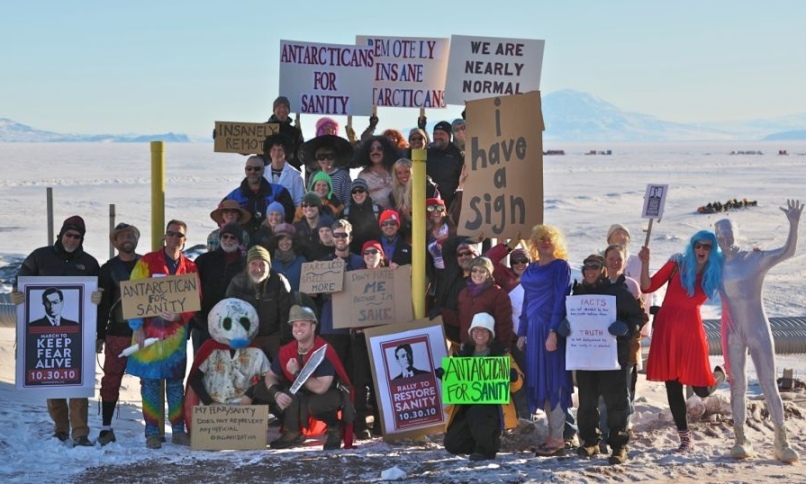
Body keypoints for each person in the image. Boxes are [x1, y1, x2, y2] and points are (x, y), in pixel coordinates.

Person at [715, 199, 802, 463]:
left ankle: (781, 439)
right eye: (720, 236)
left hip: (758, 329)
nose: (725, 240)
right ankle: (740, 438)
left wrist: (794, 224)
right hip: (733, 332)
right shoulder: (716, 266)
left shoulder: (753, 258)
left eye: (728, 234)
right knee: (737, 385)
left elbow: (787, 252)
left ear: (736, 234)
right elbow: (692, 273)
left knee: (768, 384)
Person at [13, 215, 101, 446]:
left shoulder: (89, 263)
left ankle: (80, 432)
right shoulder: (39, 257)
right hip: (45, 335)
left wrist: (98, 296)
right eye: (68, 235)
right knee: (54, 379)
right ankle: (61, 428)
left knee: (78, 380)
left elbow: (100, 290)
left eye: (77, 236)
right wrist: (17, 292)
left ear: (82, 239)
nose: (71, 240)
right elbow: (21, 279)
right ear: (61, 235)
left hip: (78, 334)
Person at [638, 230, 725, 452]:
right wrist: (645, 262)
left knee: (702, 389)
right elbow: (648, 286)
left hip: (690, 330)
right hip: (667, 327)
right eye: (697, 245)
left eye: (706, 246)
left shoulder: (717, 270)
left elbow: (742, 272)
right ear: (692, 247)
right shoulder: (677, 264)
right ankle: (685, 438)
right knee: (673, 386)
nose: (701, 250)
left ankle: (720, 373)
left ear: (712, 249)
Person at [561, 254, 644, 465]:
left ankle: (618, 445)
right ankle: (590, 441)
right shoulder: (578, 292)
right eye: (586, 266)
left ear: (602, 269)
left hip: (612, 357)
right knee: (587, 402)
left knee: (616, 403)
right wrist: (566, 325)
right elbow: (569, 315)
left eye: (595, 267)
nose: (590, 271)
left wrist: (626, 328)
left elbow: (639, 316)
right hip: (587, 356)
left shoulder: (617, 291)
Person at [240, 305, 354, 451]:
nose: (298, 328)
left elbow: (320, 387)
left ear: (313, 327)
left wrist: (296, 372)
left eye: (303, 324)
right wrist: (276, 393)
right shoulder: (287, 350)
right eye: (295, 324)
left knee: (315, 405)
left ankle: (334, 427)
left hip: (325, 395)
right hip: (300, 392)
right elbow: (270, 376)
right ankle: (292, 431)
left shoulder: (323, 351)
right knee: (261, 389)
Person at [126, 219, 198, 449]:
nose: (175, 239)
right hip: (147, 333)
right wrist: (136, 326)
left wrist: (180, 316)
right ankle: (152, 432)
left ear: (184, 241)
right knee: (150, 384)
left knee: (176, 383)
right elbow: (134, 293)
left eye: (179, 235)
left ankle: (178, 430)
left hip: (175, 338)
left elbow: (196, 299)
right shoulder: (147, 262)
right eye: (171, 234)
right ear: (165, 237)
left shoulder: (190, 267)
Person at [516, 224, 573, 457]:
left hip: (550, 331)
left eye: (549, 238)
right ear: (534, 243)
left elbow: (561, 300)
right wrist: (522, 332)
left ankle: (559, 438)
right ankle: (552, 435)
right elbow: (527, 301)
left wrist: (553, 332)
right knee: (541, 383)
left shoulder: (561, 266)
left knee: (555, 382)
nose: (545, 242)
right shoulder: (530, 269)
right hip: (533, 331)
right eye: (540, 239)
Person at [443, 312, 523, 461]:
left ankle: (485, 450)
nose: (479, 333)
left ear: (490, 334)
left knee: (479, 411)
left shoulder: (502, 355)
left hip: (491, 409)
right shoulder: (461, 355)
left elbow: (517, 385)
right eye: (476, 330)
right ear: (471, 332)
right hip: (467, 407)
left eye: (484, 330)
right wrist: (445, 374)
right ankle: (485, 441)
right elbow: (457, 383)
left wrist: (513, 377)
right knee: (452, 444)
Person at [95, 222, 141, 446]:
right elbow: (103, 306)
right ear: (115, 242)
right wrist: (100, 334)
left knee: (150, 380)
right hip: (117, 333)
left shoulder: (147, 264)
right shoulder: (107, 269)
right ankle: (106, 427)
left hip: (145, 333)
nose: (127, 239)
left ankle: (153, 428)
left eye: (130, 235)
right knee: (111, 379)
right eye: (122, 236)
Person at [226, 245, 293, 360]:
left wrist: (283, 341)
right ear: (247, 266)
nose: (258, 269)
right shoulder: (237, 283)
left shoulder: (279, 281)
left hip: (273, 337)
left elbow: (286, 313)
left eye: (262, 264)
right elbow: (228, 312)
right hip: (246, 339)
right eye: (253, 264)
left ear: (269, 266)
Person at [191, 223, 246, 354]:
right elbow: (191, 290)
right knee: (201, 366)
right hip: (202, 324)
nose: (228, 240)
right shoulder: (204, 260)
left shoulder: (246, 264)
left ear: (239, 241)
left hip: (233, 328)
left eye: (233, 237)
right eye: (225, 237)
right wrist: (198, 318)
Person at [223, 155, 295, 234]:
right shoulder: (234, 196)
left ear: (263, 170)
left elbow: (289, 215)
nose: (252, 171)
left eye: (257, 169)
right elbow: (221, 217)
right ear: (245, 170)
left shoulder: (279, 192)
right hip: (243, 241)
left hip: (272, 239)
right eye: (249, 169)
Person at [457, 257, 513, 348]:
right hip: (467, 346)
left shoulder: (498, 294)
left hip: (489, 348)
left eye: (482, 271)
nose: (477, 274)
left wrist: (503, 346)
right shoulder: (464, 293)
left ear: (488, 274)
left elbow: (505, 324)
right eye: (474, 270)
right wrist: (442, 312)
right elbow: (460, 319)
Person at [299, 134, 354, 207]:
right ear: (317, 159)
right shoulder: (313, 176)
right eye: (321, 156)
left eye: (330, 156)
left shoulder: (343, 175)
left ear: (335, 158)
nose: (326, 160)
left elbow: (348, 200)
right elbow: (309, 197)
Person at [426, 121, 463, 210]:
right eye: (436, 133)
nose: (438, 137)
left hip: (450, 204)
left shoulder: (458, 154)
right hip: (430, 203)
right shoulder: (427, 152)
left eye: (441, 134)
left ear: (449, 136)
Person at [355, 136, 397, 210]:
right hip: (373, 218)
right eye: (371, 150)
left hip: (397, 217)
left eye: (379, 149)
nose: (375, 152)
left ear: (386, 151)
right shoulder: (363, 175)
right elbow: (359, 198)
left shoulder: (395, 171)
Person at [263, 134, 306, 205]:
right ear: (269, 151)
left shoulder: (295, 176)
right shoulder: (262, 173)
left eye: (280, 150)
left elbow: (299, 202)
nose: (276, 153)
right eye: (274, 149)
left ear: (286, 152)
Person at [343, 178, 382, 254]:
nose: (358, 194)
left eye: (361, 190)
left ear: (366, 192)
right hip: (354, 254)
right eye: (354, 191)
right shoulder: (345, 212)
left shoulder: (377, 210)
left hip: (374, 253)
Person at [267, 96, 304, 170]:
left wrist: (291, 163)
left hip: (290, 173)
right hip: (267, 172)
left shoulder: (295, 132)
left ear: (288, 110)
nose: (282, 109)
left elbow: (301, 154)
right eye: (279, 106)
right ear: (274, 110)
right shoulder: (263, 129)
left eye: (285, 107)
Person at [271, 223, 306, 292]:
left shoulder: (302, 261)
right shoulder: (269, 261)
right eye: (281, 239)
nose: (285, 242)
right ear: (276, 241)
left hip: (297, 301)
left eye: (288, 239)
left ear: (294, 241)